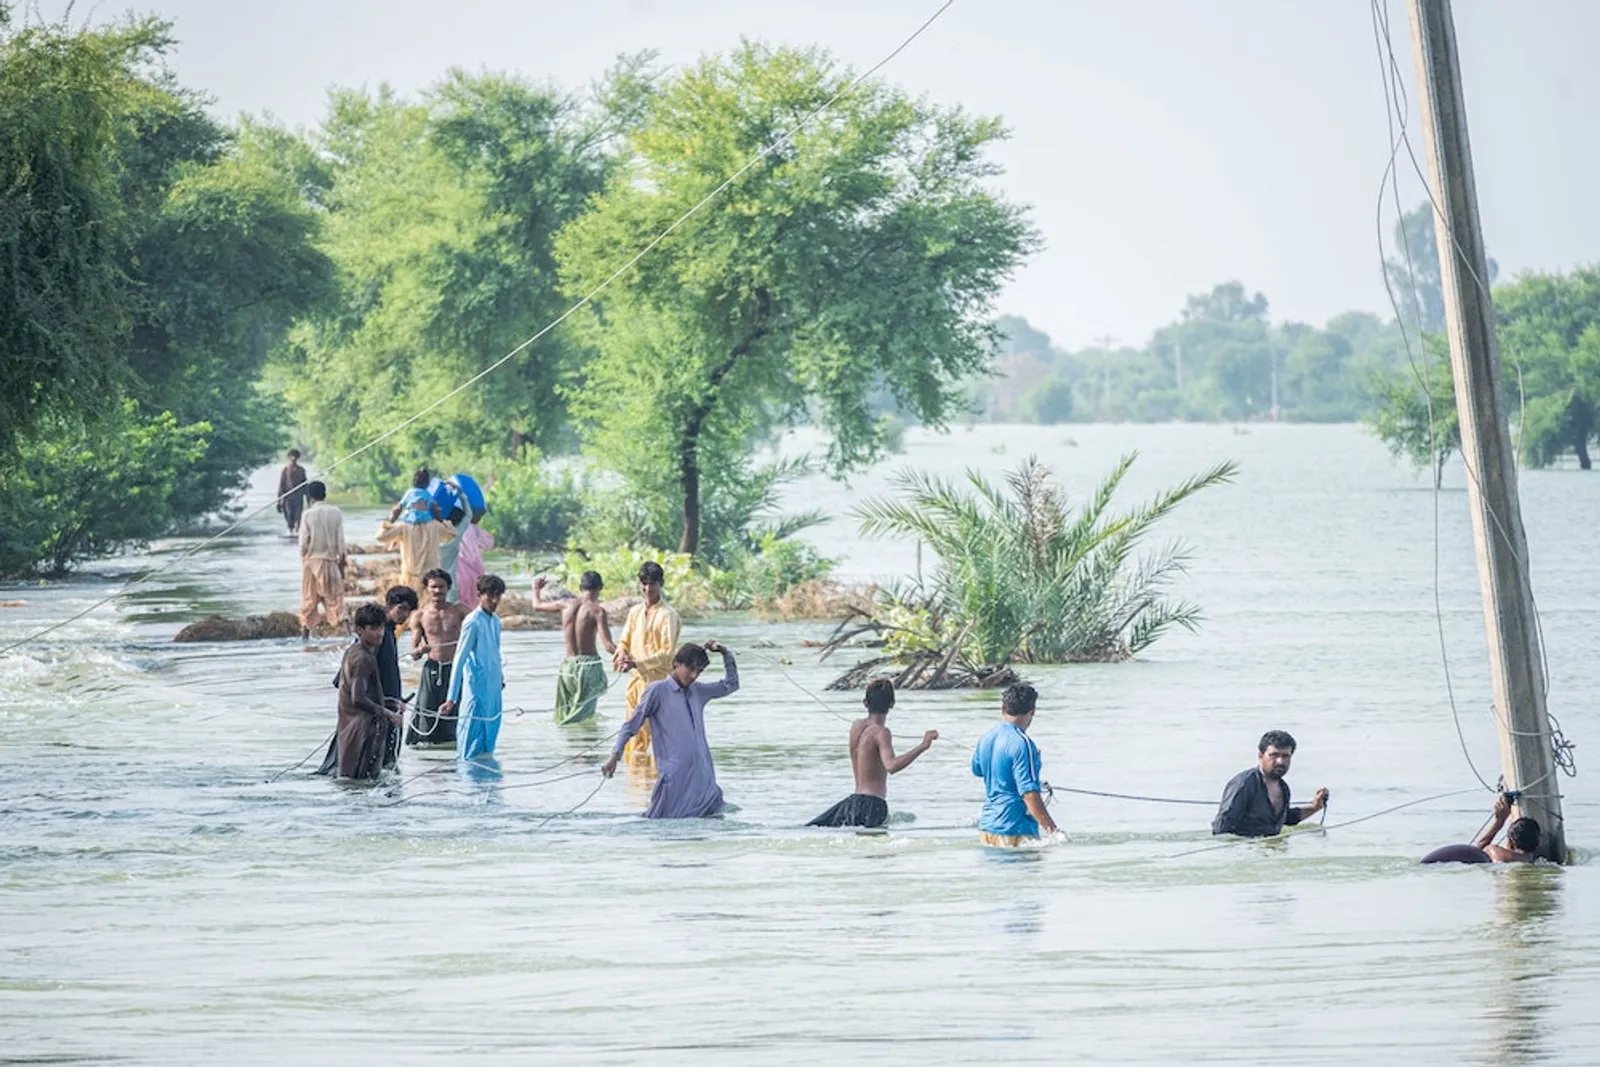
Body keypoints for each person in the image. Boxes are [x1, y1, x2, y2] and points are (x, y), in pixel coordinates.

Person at [601, 642, 738, 818]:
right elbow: (631, 725)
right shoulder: (658, 690)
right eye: (691, 669)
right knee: (662, 825)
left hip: (703, 779)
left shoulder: (697, 691)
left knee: (706, 832)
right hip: (675, 780)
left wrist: (725, 653)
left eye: (700, 671)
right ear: (676, 664)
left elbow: (731, 684)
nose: (694, 676)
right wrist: (615, 755)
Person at [808, 679, 937, 828]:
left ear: (865, 703)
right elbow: (891, 766)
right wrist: (923, 746)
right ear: (892, 704)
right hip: (873, 804)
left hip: (853, 803)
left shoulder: (856, 726)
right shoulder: (881, 733)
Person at [971, 683, 1061, 847]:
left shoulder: (986, 737)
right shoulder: (1023, 743)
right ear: (1033, 710)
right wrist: (1053, 832)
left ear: (1003, 709)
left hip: (987, 830)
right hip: (1015, 830)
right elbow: (1029, 794)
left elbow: (977, 770)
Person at [613, 561, 682, 766]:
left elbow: (667, 653)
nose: (647, 588)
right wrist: (622, 655)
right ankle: (636, 787)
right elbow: (624, 641)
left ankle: (650, 785)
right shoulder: (635, 612)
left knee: (653, 740)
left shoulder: (668, 615)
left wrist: (637, 663)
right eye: (644, 583)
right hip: (635, 683)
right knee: (631, 736)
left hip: (659, 685)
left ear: (660, 584)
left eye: (652, 583)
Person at [531, 572, 616, 725]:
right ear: (600, 588)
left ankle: (568, 745)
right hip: (588, 669)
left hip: (567, 668)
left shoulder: (565, 604)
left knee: (564, 714)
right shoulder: (597, 611)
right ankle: (584, 745)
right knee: (583, 717)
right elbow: (608, 646)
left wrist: (536, 589)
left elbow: (536, 605)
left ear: (580, 587)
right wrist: (628, 656)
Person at [331, 603, 404, 780]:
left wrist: (387, 701)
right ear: (359, 630)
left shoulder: (354, 651)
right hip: (362, 732)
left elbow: (360, 694)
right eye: (373, 628)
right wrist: (389, 714)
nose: (379, 633)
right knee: (363, 784)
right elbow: (358, 698)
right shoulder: (363, 658)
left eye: (380, 627)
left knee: (355, 786)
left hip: (351, 729)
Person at [1211, 730, 1329, 837]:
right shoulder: (1244, 784)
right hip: (1246, 851)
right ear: (1260, 756)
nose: (1280, 761)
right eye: (1274, 755)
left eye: (1285, 756)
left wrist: (1315, 807)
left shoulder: (1284, 788)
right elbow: (1221, 827)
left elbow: (1286, 819)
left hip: (1271, 852)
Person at [441, 574, 506, 763]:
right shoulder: (472, 622)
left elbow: (495, 652)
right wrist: (451, 698)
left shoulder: (495, 621)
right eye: (490, 595)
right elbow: (459, 660)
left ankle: (489, 789)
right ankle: (467, 787)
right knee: (469, 747)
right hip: (476, 693)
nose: (494, 601)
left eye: (498, 596)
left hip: (494, 691)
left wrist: (500, 675)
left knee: (489, 745)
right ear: (480, 595)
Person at [408, 568, 467, 746]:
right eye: (433, 587)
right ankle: (429, 754)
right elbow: (414, 653)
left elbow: (479, 632)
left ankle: (456, 747)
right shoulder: (419, 616)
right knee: (427, 713)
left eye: (441, 587)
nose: (437, 591)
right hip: (432, 668)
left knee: (456, 711)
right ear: (426, 588)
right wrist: (420, 650)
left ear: (448, 588)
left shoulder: (460, 611)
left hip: (455, 668)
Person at [1423, 793, 1543, 864]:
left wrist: (1499, 822)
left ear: (1510, 841)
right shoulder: (1535, 861)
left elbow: (1476, 851)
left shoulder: (1495, 851)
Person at [297, 481, 346, 638]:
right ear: (324, 494)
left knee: (308, 602)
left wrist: (304, 560)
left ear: (310, 497)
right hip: (331, 562)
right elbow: (341, 543)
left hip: (311, 563)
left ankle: (305, 638)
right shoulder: (336, 512)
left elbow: (303, 543)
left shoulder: (307, 515)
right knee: (336, 602)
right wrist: (342, 565)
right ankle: (348, 636)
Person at [376, 585, 417, 767]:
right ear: (389, 605)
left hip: (390, 704)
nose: (404, 615)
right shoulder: (380, 633)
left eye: (408, 611)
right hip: (380, 706)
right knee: (383, 759)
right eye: (401, 609)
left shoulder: (390, 632)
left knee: (389, 760)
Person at [454, 512, 494, 607]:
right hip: (476, 573)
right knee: (474, 603)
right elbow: (489, 544)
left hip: (457, 573)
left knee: (459, 603)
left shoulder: (445, 528)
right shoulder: (472, 528)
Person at [276, 449, 309, 535]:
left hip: (298, 496)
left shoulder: (301, 470)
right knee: (289, 514)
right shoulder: (285, 469)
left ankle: (297, 531)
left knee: (298, 515)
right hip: (288, 497)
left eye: (295, 456)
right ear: (289, 457)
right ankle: (290, 530)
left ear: (297, 458)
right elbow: (281, 484)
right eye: (292, 456)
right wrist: (279, 500)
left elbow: (305, 484)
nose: (293, 458)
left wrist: (308, 498)